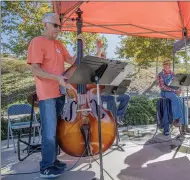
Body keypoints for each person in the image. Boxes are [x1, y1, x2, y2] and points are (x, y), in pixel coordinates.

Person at [27, 12, 85, 178]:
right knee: (49, 132)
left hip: (60, 93)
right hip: (47, 95)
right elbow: (36, 69)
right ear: (45, 24)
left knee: (56, 130)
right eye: (55, 25)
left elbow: (73, 60)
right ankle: (46, 167)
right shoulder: (37, 42)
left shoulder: (59, 44)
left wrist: (81, 44)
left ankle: (53, 161)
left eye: (59, 26)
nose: (58, 29)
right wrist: (56, 78)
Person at [96, 39, 130, 124]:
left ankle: (118, 116)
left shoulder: (109, 70)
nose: (104, 59)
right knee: (111, 99)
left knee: (126, 97)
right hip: (100, 96)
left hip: (111, 93)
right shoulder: (96, 70)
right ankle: (112, 119)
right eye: (102, 57)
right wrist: (99, 50)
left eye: (105, 57)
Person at [157, 58, 190, 135]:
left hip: (173, 92)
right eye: (167, 64)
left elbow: (177, 83)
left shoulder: (173, 74)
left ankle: (185, 126)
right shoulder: (161, 75)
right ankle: (176, 119)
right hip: (165, 93)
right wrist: (174, 91)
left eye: (170, 64)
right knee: (175, 98)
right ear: (164, 65)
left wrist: (179, 89)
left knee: (185, 106)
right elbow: (162, 87)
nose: (169, 65)